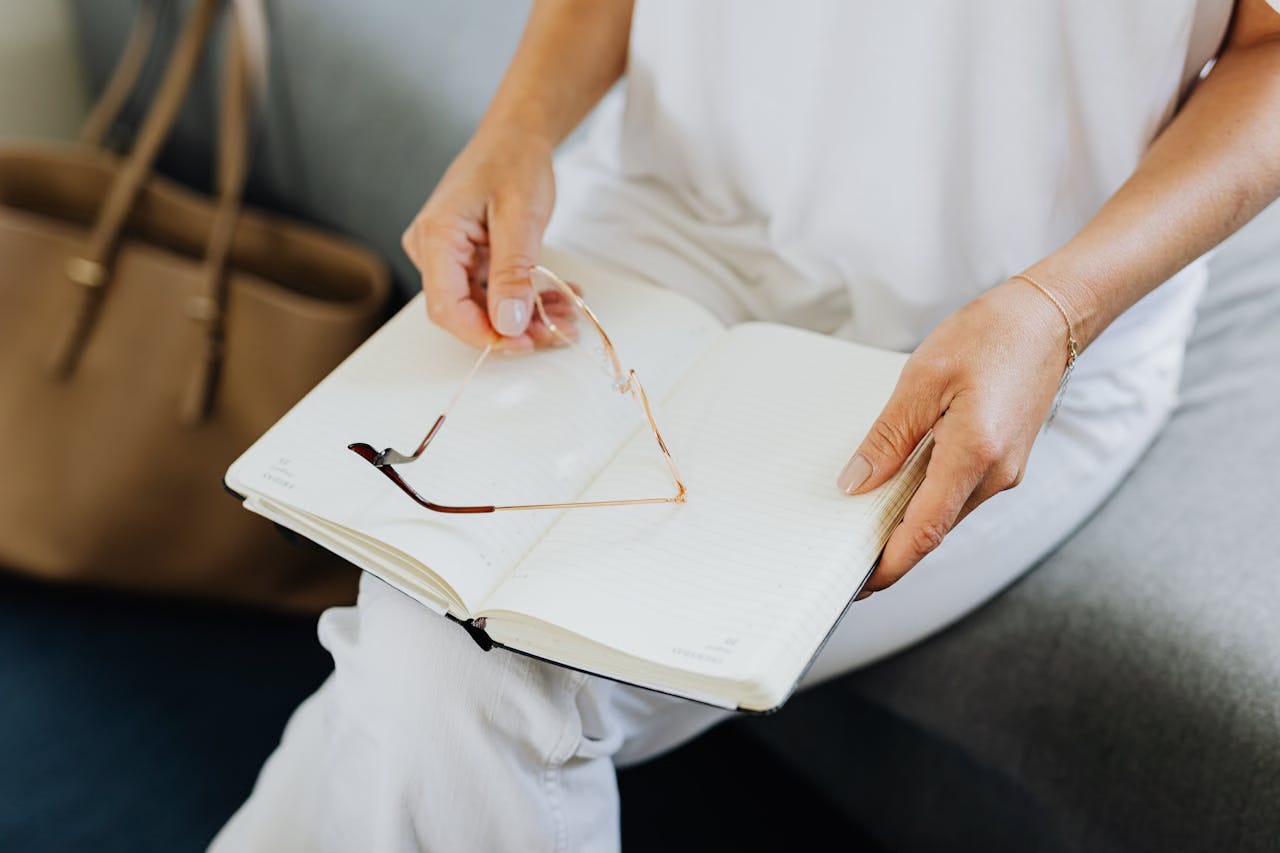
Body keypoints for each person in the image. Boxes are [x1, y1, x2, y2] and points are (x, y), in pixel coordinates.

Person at [212, 1, 1280, 850]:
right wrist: (517, 130)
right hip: (660, 229)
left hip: (1003, 324)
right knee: (429, 642)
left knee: (447, 685)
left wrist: (1054, 311)